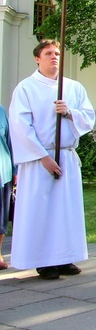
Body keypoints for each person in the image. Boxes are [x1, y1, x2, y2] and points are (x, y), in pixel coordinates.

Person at [8, 39, 95, 279]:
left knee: (65, 211)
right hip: (39, 160)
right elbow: (20, 127)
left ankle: (65, 257)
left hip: (66, 155)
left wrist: (69, 113)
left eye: (57, 53)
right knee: (42, 212)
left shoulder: (73, 87)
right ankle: (44, 261)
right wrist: (43, 157)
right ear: (37, 58)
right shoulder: (26, 88)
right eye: (48, 53)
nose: (54, 57)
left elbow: (88, 117)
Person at [0, 105, 14, 270]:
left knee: (1, 216)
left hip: (3, 172)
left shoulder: (2, 112)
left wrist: (15, 170)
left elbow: (10, 142)